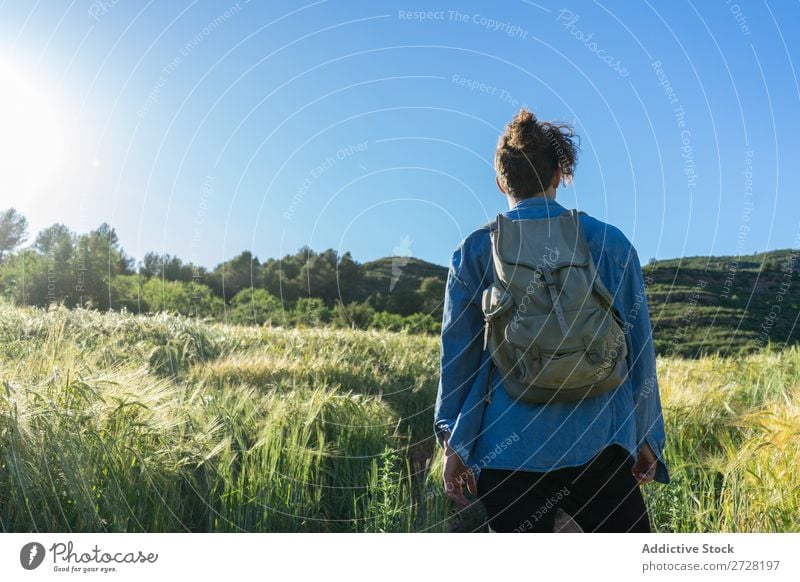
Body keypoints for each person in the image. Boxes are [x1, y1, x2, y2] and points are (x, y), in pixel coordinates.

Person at [433, 107, 669, 533]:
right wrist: (648, 436)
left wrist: (455, 443)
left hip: (508, 451)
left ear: (501, 181)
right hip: (599, 441)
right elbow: (638, 347)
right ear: (558, 173)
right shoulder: (610, 243)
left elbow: (459, 361)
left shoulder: (473, 251)